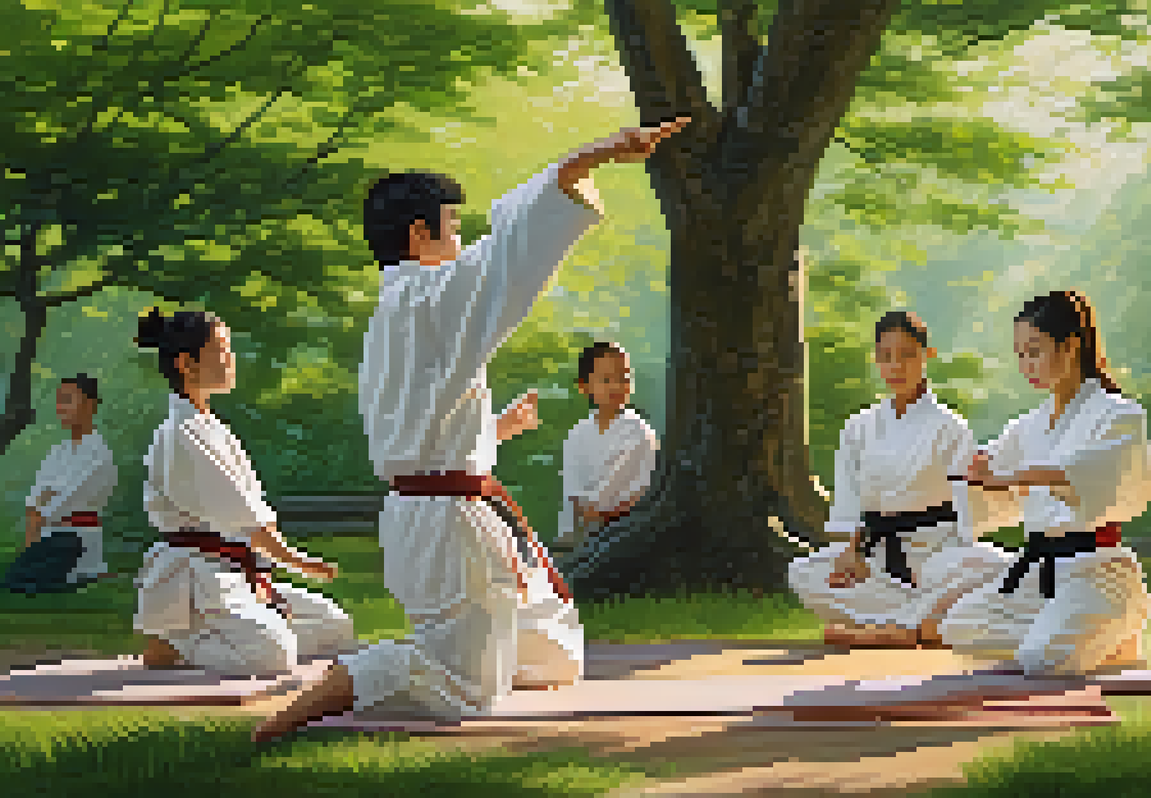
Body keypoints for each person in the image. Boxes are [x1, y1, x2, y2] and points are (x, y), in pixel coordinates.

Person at [251, 118, 690, 742]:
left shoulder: (392, 311)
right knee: (464, 690)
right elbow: (509, 250)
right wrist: (588, 161)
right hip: (445, 527)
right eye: (453, 226)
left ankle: (441, 652)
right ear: (419, 233)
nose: (461, 239)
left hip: (428, 515)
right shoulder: (431, 295)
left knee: (553, 654)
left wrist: (493, 432)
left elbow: (415, 428)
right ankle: (324, 696)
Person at [937, 291, 1151, 676]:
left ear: (1070, 346)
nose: (1026, 365)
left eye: (1034, 351)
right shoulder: (1029, 425)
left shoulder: (1119, 414)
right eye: (1020, 354)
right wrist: (977, 470)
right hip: (1041, 572)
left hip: (1097, 571)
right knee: (959, 626)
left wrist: (1010, 476)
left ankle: (1115, 618)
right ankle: (1084, 634)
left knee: (1042, 661)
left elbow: (1082, 475)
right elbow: (989, 473)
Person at [133, 309, 354, 675]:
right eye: (221, 349)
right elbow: (246, 517)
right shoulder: (182, 432)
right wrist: (298, 562)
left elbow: (247, 514)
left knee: (334, 627)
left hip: (232, 569)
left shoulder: (210, 426)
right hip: (197, 574)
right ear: (186, 363)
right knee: (273, 655)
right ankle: (179, 643)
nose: (231, 360)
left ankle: (228, 632)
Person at [787, 311, 1011, 648]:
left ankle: (887, 627)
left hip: (937, 554)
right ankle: (920, 621)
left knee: (996, 567)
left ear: (926, 355)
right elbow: (849, 502)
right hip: (874, 557)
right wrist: (851, 553)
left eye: (907, 355)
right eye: (886, 357)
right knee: (803, 572)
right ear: (876, 360)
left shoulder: (951, 428)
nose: (896, 367)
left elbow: (969, 513)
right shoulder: (858, 428)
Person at [3, 374, 118, 593]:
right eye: (59, 400)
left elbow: (68, 499)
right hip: (47, 535)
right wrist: (43, 505)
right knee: (18, 575)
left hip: (76, 538)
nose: (60, 407)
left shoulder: (99, 454)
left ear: (89, 404)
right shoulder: (57, 452)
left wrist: (46, 501)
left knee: (47, 562)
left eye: (67, 400)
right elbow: (36, 498)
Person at [558, 342, 659, 549]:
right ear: (584, 386)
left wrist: (596, 513)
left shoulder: (639, 432)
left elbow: (637, 494)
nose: (616, 386)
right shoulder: (577, 433)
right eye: (606, 380)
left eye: (623, 379)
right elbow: (572, 489)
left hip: (625, 529)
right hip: (583, 528)